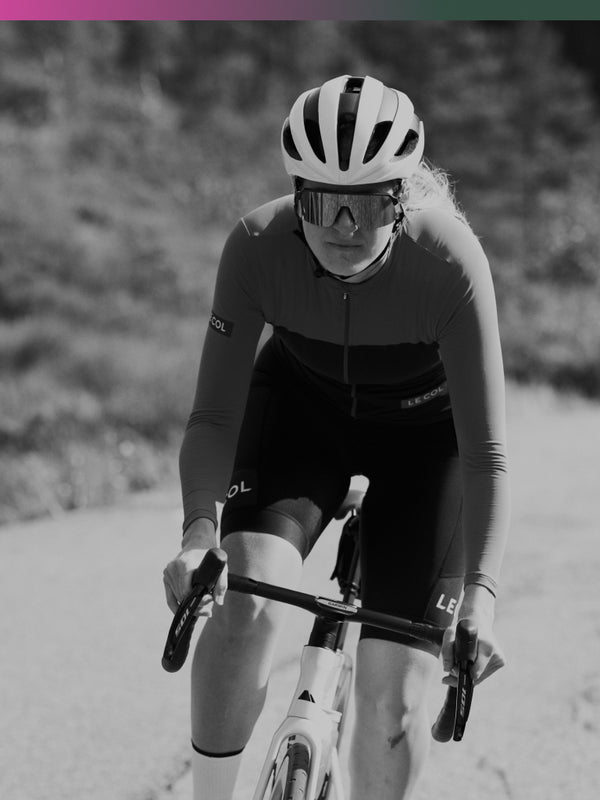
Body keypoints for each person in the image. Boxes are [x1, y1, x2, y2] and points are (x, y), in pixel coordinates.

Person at [163, 74, 510, 800]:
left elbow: (485, 455)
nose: (343, 227)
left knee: (395, 701)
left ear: (402, 197)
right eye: (322, 201)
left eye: (369, 203)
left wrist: (478, 596)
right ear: (297, 195)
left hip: (427, 443)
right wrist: (199, 535)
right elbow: (215, 416)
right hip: (301, 415)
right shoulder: (257, 247)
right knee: (243, 606)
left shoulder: (449, 263)